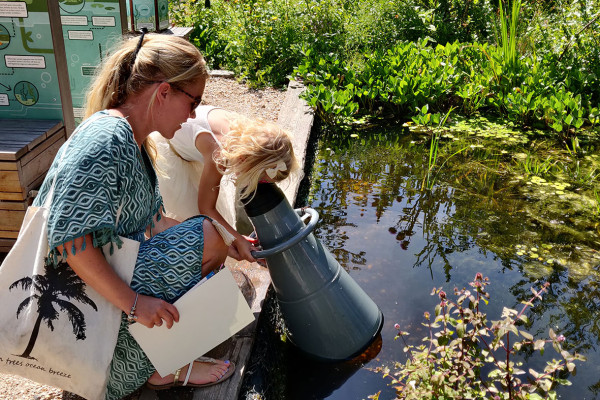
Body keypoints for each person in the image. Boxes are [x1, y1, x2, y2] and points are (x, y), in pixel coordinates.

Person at [32, 31, 234, 399]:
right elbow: (70, 241)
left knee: (213, 241)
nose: (193, 115)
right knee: (208, 237)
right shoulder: (107, 140)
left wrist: (231, 244)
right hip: (88, 347)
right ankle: (158, 365)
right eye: (194, 102)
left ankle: (162, 362)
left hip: (97, 310)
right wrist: (136, 304)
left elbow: (156, 225)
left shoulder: (133, 140)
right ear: (163, 93)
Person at [149, 105, 300, 262]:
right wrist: (238, 240)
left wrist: (239, 236)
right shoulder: (219, 155)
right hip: (173, 156)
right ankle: (183, 264)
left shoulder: (249, 137)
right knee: (194, 221)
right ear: (244, 161)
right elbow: (206, 209)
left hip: (195, 151)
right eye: (259, 180)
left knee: (222, 228)